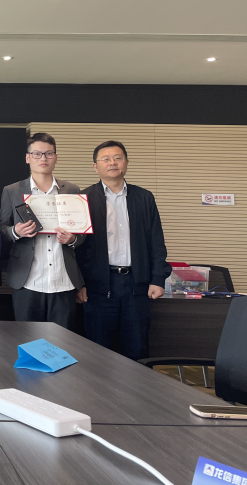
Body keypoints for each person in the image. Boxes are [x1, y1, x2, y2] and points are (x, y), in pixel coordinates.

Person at [76, 140, 170, 360]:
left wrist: (158, 279)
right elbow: (76, 247)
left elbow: (156, 241)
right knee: (97, 349)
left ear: (126, 162)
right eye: (106, 159)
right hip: (98, 286)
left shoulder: (144, 197)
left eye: (118, 158)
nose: (112, 163)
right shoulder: (83, 199)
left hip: (136, 285)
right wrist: (79, 283)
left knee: (137, 348)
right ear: (95, 166)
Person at [0, 132, 86, 330]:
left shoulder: (72, 190)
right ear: (27, 158)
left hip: (63, 279)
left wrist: (72, 239)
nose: (43, 158)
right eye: (37, 154)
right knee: (27, 339)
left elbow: (82, 234)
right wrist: (15, 232)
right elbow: (2, 229)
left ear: (55, 157)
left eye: (48, 153)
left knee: (62, 341)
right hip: (27, 280)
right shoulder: (12, 191)